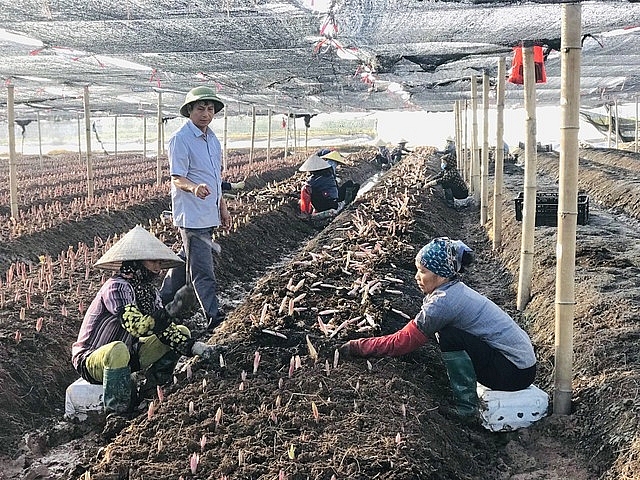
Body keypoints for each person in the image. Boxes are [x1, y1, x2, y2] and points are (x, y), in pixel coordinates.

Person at [338, 237, 537, 421]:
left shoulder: (444, 303)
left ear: (441, 275)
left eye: (423, 271)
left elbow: (402, 342)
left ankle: (467, 409)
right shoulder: (453, 290)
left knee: (449, 336)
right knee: (446, 333)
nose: (417, 277)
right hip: (520, 365)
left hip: (515, 373)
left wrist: (359, 347)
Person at [71, 226, 218, 421]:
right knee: (117, 348)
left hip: (128, 354)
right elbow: (136, 326)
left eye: (159, 262)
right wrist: (171, 309)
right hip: (92, 360)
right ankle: (117, 413)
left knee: (181, 331)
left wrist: (197, 348)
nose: (157, 267)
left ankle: (151, 390)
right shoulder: (116, 287)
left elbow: (164, 331)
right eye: (152, 261)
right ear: (137, 262)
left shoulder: (149, 293)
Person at [161, 86, 231, 331]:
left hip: (208, 213)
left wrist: (222, 207)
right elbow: (177, 178)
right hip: (192, 215)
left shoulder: (212, 139)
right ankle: (213, 316)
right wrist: (194, 188)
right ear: (189, 110)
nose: (206, 114)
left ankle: (160, 304)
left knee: (184, 261)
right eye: (200, 108)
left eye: (210, 109)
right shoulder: (181, 139)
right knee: (202, 269)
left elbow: (215, 178)